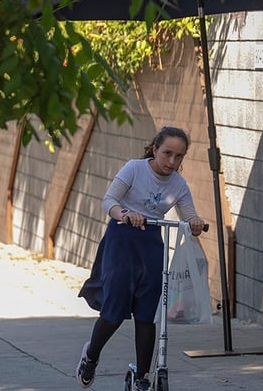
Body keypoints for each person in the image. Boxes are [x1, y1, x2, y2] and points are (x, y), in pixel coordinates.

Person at [76, 126, 206, 391]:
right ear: (155, 149)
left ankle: (143, 377)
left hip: (151, 245)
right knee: (114, 310)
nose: (172, 161)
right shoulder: (134, 169)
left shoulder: (178, 185)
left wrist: (194, 222)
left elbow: (189, 213)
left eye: (179, 156)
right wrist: (125, 213)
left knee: (147, 315)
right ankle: (91, 356)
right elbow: (109, 200)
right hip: (122, 239)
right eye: (167, 153)